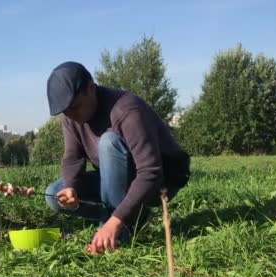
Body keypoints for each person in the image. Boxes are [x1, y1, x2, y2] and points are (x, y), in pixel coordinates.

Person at [45, 61, 190, 254]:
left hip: (161, 180)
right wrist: (71, 186)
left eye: (76, 107)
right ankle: (135, 215)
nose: (72, 116)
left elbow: (150, 172)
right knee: (54, 194)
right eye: (66, 112)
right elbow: (73, 157)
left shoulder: (127, 110)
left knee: (109, 142)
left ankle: (119, 231)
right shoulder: (71, 117)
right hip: (119, 177)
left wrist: (114, 221)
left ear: (90, 88)